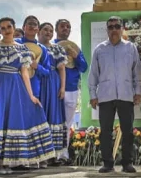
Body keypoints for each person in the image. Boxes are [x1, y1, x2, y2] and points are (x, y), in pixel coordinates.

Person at [0, 17, 56, 173]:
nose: (6, 30)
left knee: (11, 120)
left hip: (15, 87)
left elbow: (25, 73)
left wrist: (31, 96)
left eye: (9, 27)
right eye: (3, 28)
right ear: (0, 31)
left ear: (14, 28)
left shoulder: (22, 49)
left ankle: (8, 162)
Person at [88, 16, 141, 173]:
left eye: (117, 26)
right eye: (110, 27)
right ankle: (107, 163)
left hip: (126, 95)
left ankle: (127, 163)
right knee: (105, 131)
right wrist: (93, 94)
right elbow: (93, 74)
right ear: (107, 30)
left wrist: (138, 92)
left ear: (122, 29)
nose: (114, 30)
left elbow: (137, 71)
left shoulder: (130, 48)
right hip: (105, 96)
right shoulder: (99, 49)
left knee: (127, 130)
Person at [54, 19, 88, 163]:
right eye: (62, 26)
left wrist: (76, 57)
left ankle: (63, 154)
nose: (65, 29)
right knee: (54, 123)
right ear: (57, 29)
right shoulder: (52, 46)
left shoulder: (75, 48)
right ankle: (52, 154)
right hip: (55, 90)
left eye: (68, 27)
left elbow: (84, 67)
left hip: (72, 89)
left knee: (67, 123)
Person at [38, 22, 68, 164]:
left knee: (53, 114)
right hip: (38, 81)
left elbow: (62, 69)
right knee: (40, 115)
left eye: (50, 30)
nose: (48, 33)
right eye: (45, 30)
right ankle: (40, 155)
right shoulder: (34, 47)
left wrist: (62, 87)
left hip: (52, 82)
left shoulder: (57, 49)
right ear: (39, 31)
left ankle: (53, 155)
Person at [15, 16, 51, 104]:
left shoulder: (42, 48)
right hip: (16, 86)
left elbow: (47, 72)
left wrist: (37, 66)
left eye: (34, 24)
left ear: (38, 29)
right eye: (29, 24)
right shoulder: (15, 43)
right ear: (24, 27)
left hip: (34, 87)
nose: (32, 26)